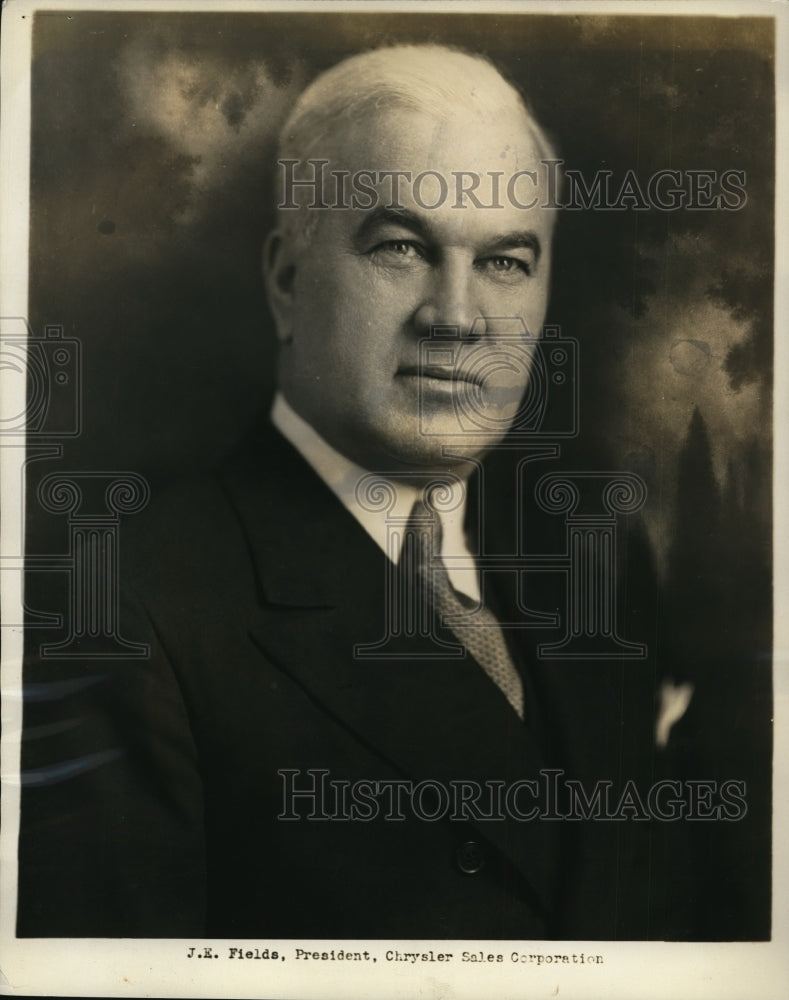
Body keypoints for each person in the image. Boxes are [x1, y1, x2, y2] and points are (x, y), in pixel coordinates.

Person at [16, 44, 748, 941]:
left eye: (504, 262)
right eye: (400, 247)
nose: (456, 317)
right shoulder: (123, 604)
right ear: (288, 280)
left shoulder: (593, 561)